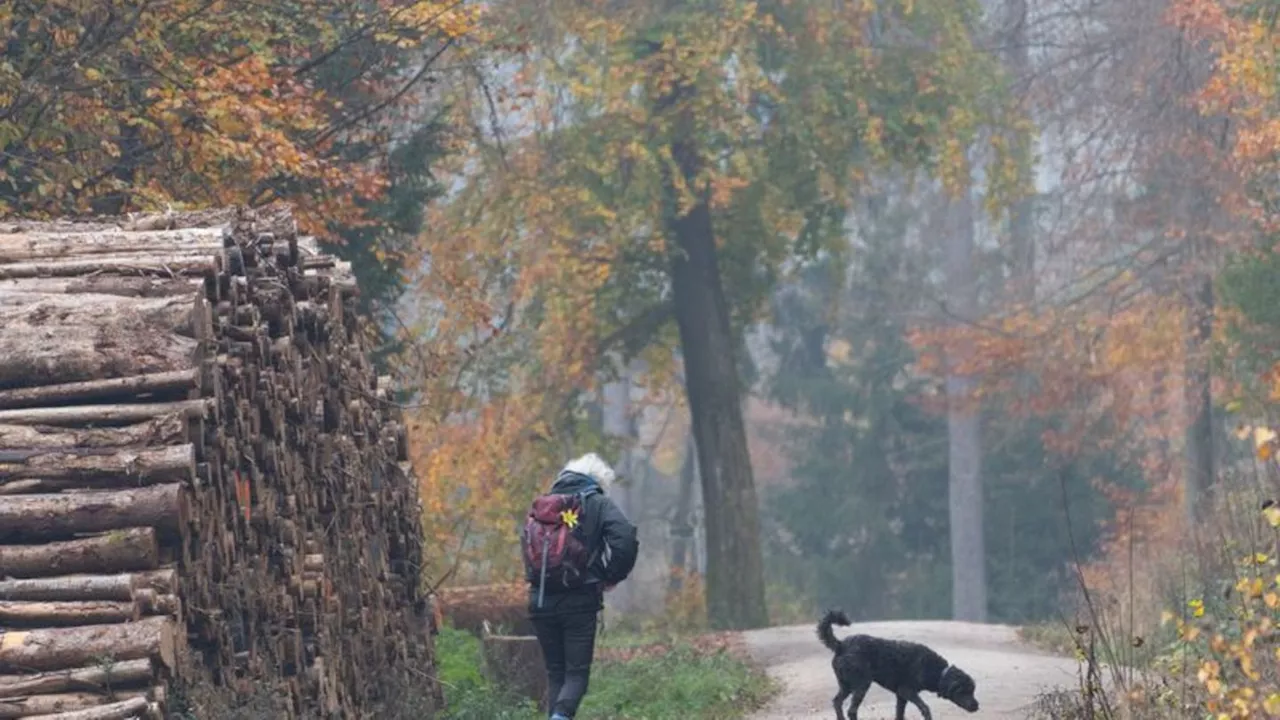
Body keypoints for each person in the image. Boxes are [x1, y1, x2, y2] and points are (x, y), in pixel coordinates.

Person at [521, 453, 638, 720]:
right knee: (576, 676)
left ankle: (556, 716)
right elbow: (625, 538)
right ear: (598, 481)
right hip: (579, 601)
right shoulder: (596, 503)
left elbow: (527, 549)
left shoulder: (542, 506)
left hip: (540, 601)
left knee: (556, 674)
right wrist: (611, 576)